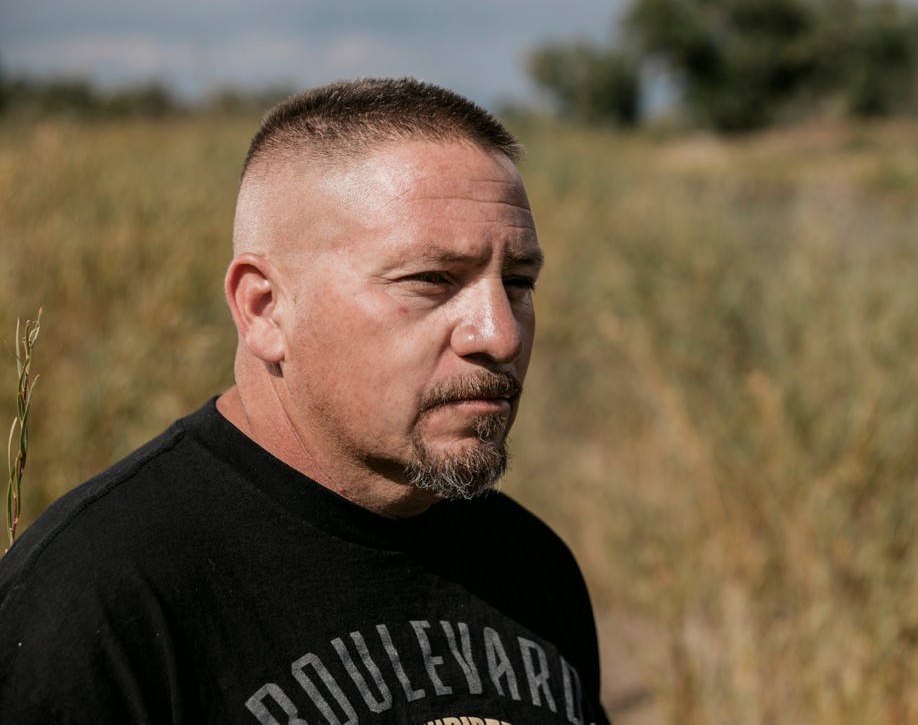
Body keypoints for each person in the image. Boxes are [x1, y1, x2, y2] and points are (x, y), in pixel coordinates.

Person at [0, 78, 610, 724]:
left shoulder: (529, 564)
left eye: (517, 283)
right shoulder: (100, 597)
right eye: (431, 280)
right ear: (264, 309)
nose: (500, 334)